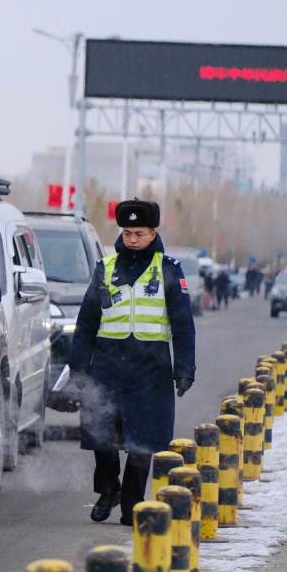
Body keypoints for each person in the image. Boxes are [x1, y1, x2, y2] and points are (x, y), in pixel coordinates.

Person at [69, 198, 196, 526]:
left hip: (150, 370)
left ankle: (132, 502)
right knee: (101, 434)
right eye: (127, 233)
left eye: (139, 233)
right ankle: (108, 487)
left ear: (153, 233)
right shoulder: (106, 267)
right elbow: (86, 322)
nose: (133, 239)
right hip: (107, 367)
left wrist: (185, 368)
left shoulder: (168, 269)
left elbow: (183, 323)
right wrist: (78, 369)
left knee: (144, 440)